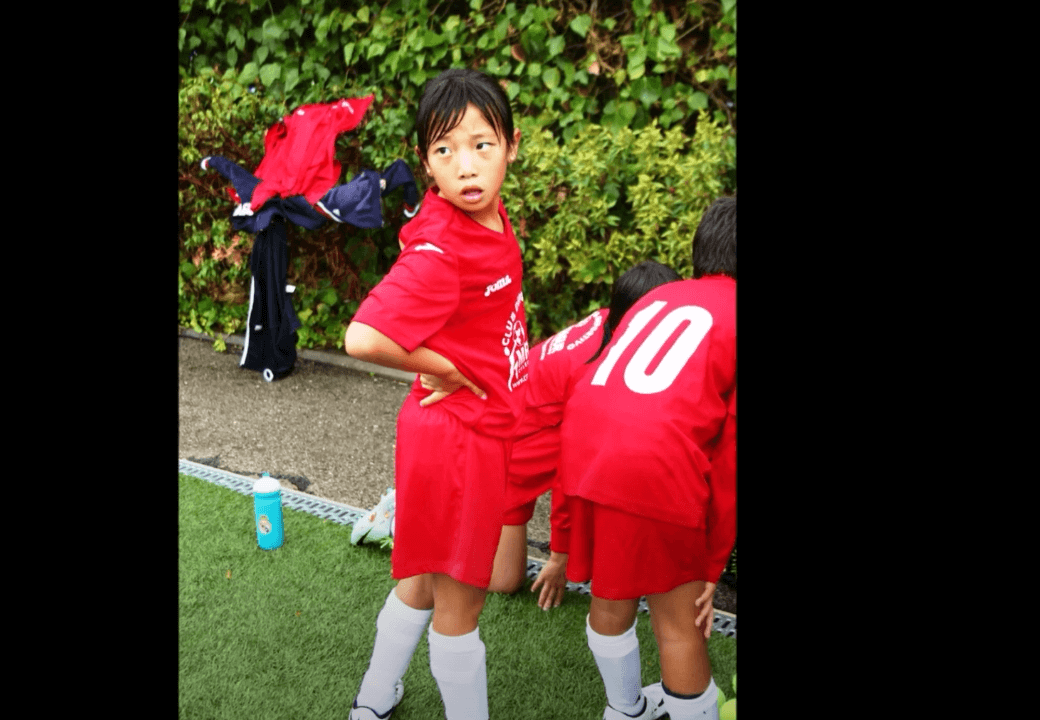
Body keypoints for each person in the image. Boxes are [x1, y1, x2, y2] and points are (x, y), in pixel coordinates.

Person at [343, 68, 527, 720]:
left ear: (511, 146)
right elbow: (362, 337)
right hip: (459, 442)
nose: (466, 165)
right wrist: (444, 366)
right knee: (460, 606)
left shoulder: (488, 214)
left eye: (481, 145)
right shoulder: (441, 248)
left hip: (458, 435)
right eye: (445, 150)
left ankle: (374, 698)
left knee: (421, 580)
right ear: (425, 161)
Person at [559, 196, 737, 720]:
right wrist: (713, 563)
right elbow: (731, 457)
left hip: (586, 451)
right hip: (655, 462)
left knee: (610, 596)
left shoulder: (658, 297)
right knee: (679, 624)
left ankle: (625, 708)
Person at [485, 261, 682, 611]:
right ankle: (425, 512)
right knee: (503, 581)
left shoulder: (613, 320)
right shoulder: (596, 372)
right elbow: (570, 469)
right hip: (506, 444)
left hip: (526, 421)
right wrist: (560, 556)